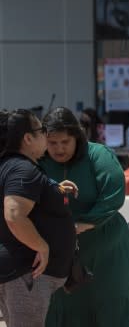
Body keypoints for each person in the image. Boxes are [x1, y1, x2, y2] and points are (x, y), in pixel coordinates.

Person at [39, 107, 129, 327]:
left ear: (77, 137)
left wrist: (82, 224)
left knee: (109, 307)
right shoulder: (38, 161)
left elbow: (113, 194)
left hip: (106, 249)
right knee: (61, 309)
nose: (59, 149)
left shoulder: (98, 154)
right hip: (59, 253)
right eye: (52, 143)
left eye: (65, 142)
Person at [0, 109, 77, 327]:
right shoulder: (22, 169)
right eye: (41, 130)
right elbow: (14, 214)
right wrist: (42, 246)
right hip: (27, 273)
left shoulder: (12, 167)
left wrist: (54, 190)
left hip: (21, 273)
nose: (46, 135)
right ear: (27, 138)